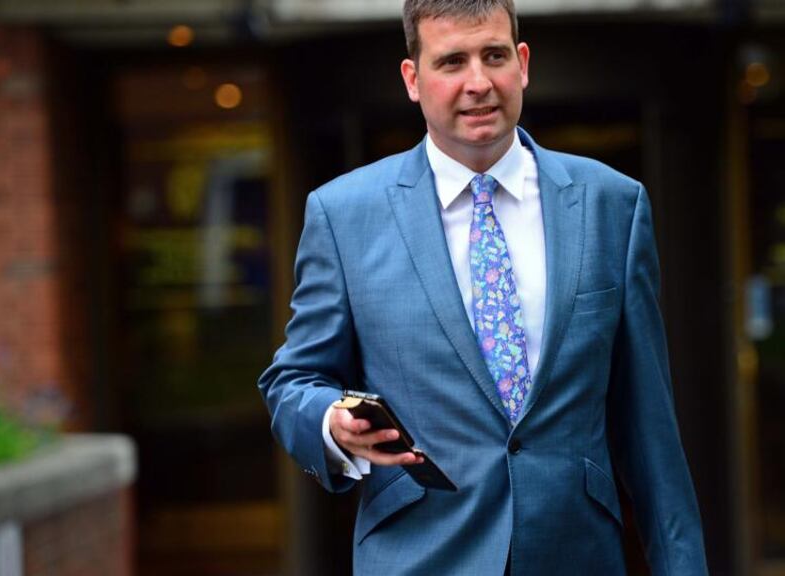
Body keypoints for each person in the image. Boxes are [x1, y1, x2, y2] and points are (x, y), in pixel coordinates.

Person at [258, 0, 708, 573]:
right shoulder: (343, 215)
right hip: (419, 556)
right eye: (452, 62)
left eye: (494, 56)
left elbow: (650, 427)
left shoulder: (612, 204)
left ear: (522, 64)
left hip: (576, 555)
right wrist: (331, 422)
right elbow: (292, 380)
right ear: (413, 80)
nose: (478, 83)